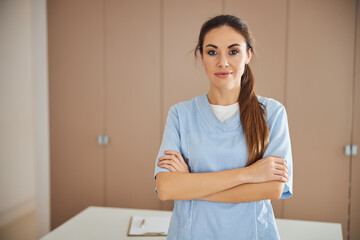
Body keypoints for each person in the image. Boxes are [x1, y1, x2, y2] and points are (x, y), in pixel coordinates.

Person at [153, 14, 293, 240]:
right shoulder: (180, 114)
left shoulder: (272, 113)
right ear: (201, 56)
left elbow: (273, 189)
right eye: (212, 52)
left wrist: (190, 184)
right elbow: (167, 188)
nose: (223, 62)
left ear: (248, 55)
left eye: (233, 51)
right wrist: (249, 174)